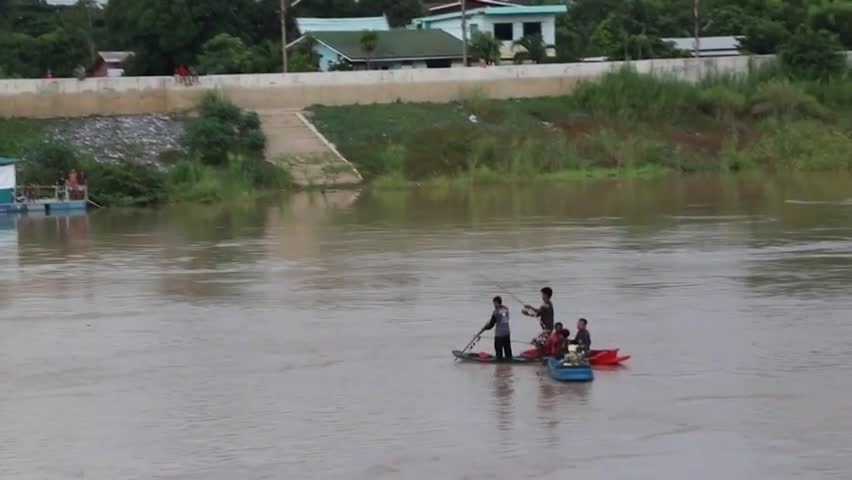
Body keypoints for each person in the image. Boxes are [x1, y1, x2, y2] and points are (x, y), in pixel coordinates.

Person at [479, 296, 512, 360]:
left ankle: (499, 362)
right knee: (508, 350)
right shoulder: (506, 309)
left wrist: (484, 329)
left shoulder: (496, 311)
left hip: (499, 335)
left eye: (494, 303)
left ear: (497, 302)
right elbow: (501, 317)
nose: (493, 305)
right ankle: (509, 361)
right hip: (507, 333)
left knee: (499, 352)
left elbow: (491, 325)